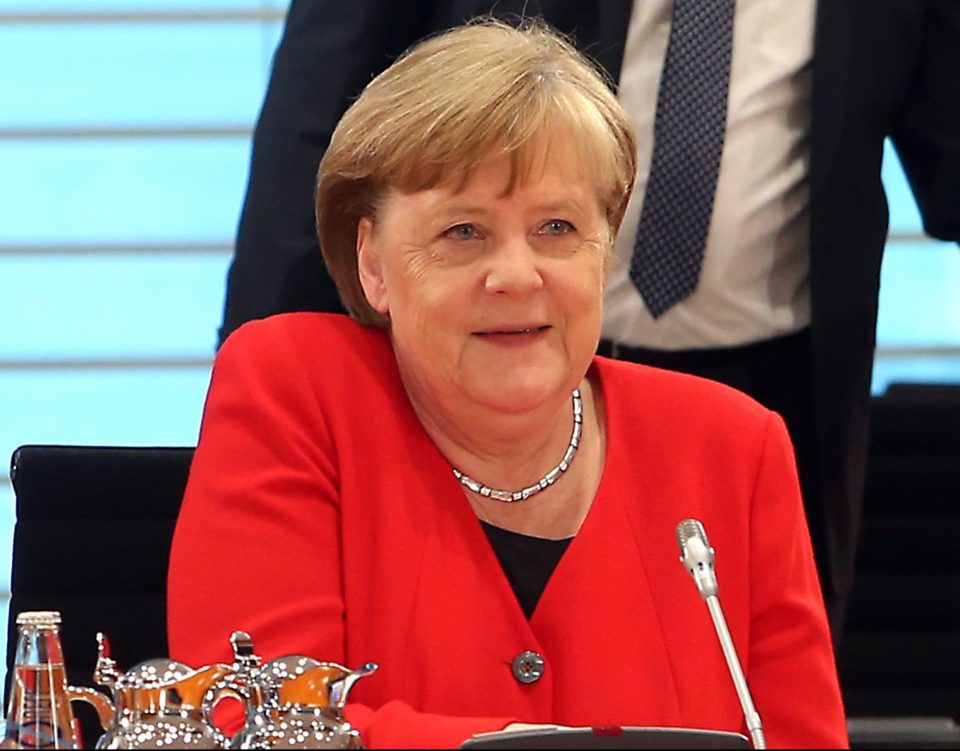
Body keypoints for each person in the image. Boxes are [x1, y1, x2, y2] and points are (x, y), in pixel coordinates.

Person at [169, 20, 847, 749]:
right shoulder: (294, 388)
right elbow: (255, 725)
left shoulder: (734, 446)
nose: (518, 275)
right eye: (464, 231)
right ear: (372, 262)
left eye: (557, 227)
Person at [218, 1, 960, 642]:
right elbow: (315, 118)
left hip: (780, 379)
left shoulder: (750, 445)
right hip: (487, 367)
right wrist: (273, 403)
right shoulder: (298, 394)